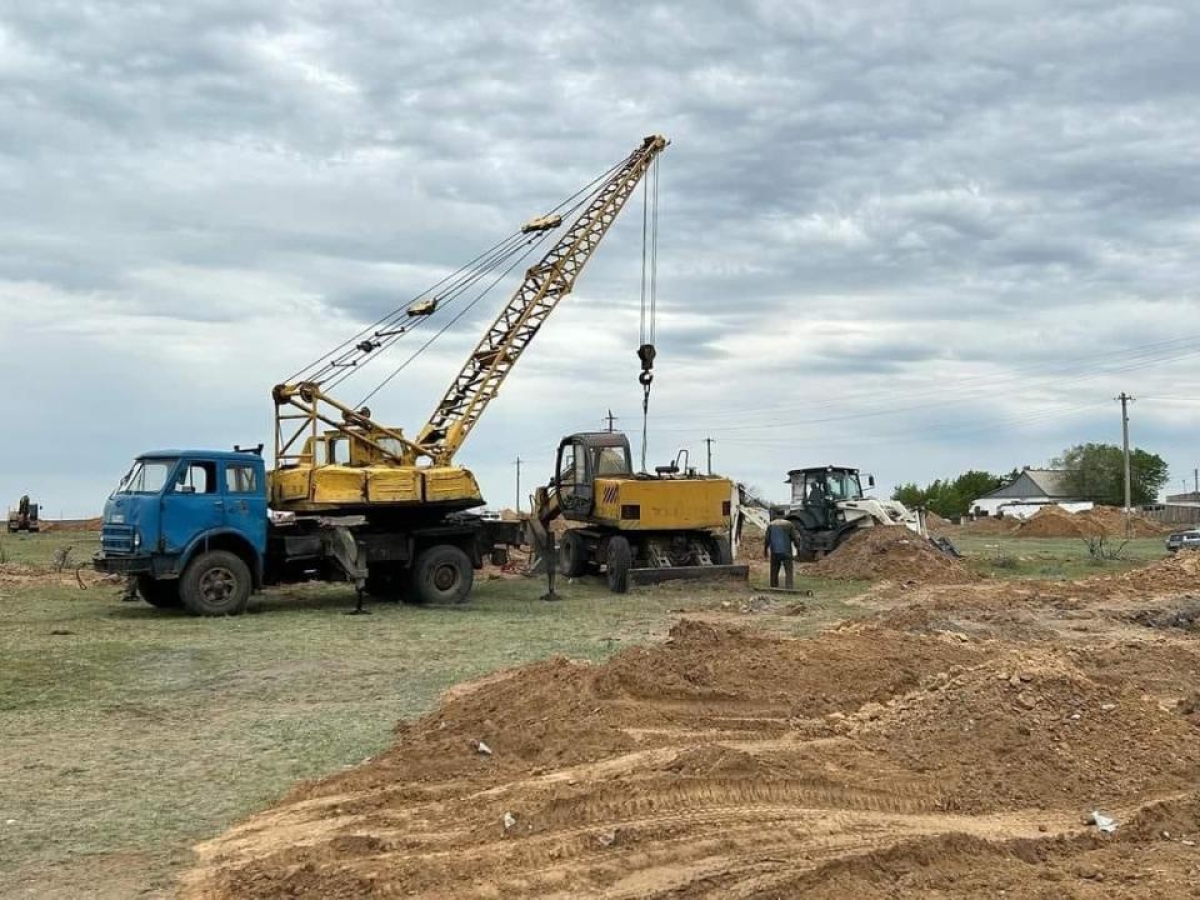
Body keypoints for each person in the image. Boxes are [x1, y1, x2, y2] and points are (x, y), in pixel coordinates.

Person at [763, 517, 802, 589]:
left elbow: (767, 539)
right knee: (788, 570)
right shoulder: (789, 524)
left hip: (774, 551)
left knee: (774, 570)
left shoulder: (771, 525)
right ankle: (789, 586)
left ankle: (773, 586)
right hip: (786, 551)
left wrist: (765, 550)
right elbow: (795, 538)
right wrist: (798, 549)